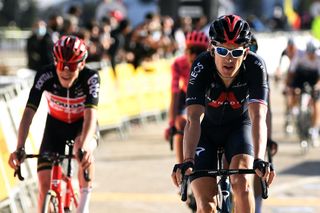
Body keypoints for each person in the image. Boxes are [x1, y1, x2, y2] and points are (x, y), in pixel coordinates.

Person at [171, 15, 275, 212]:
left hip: (239, 128)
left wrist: (260, 158)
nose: (229, 58)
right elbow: (193, 119)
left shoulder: (255, 66)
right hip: (205, 132)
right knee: (206, 204)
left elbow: (258, 116)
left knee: (242, 185)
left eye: (236, 52)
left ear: (245, 53)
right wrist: (187, 160)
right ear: (211, 49)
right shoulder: (201, 66)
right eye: (222, 50)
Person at [8, 35, 100, 213]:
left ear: (82, 64)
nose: (65, 71)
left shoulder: (91, 77)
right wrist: (19, 147)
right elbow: (29, 112)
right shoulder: (45, 74)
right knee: (43, 186)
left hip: (82, 127)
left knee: (83, 149)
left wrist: (87, 145)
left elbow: (91, 115)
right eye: (61, 64)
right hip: (55, 127)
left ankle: (83, 205)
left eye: (71, 66)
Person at [165, 31, 209, 163]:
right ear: (185, 51)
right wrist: (172, 123)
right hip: (187, 97)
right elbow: (175, 94)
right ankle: (181, 166)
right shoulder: (178, 64)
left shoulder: (211, 62)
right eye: (191, 50)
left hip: (208, 96)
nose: (195, 55)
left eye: (200, 51)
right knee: (181, 124)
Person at [249, 34, 278, 213]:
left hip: (252, 123)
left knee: (257, 169)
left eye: (253, 51)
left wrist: (269, 138)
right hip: (229, 123)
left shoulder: (259, 70)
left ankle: (257, 207)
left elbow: (266, 111)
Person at [285, 40, 320, 147]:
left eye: (312, 53)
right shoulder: (299, 55)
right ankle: (294, 110)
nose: (311, 56)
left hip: (314, 78)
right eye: (309, 53)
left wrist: (317, 86)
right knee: (293, 91)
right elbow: (292, 73)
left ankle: (314, 130)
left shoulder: (319, 58)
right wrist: (288, 87)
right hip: (300, 76)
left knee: (316, 103)